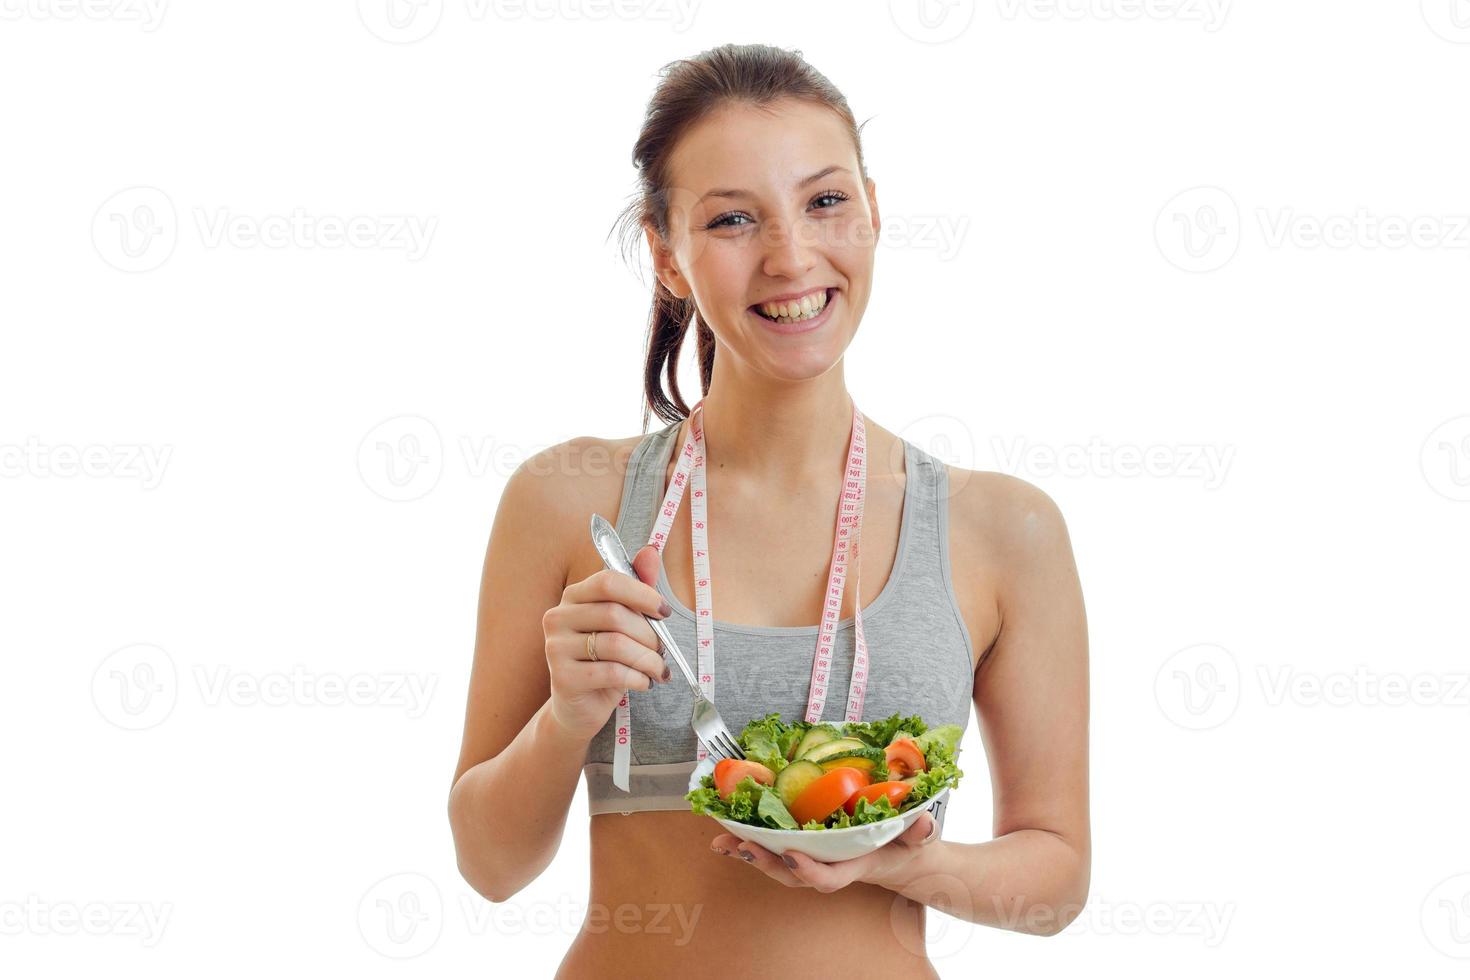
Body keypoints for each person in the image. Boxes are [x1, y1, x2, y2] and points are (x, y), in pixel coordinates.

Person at [449, 42, 1090, 978]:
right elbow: (488, 866)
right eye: (733, 219)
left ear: (873, 212)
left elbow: (1057, 880)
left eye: (826, 201)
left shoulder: (1003, 530)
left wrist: (905, 863)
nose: (792, 255)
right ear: (666, 256)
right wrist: (568, 714)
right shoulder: (565, 500)